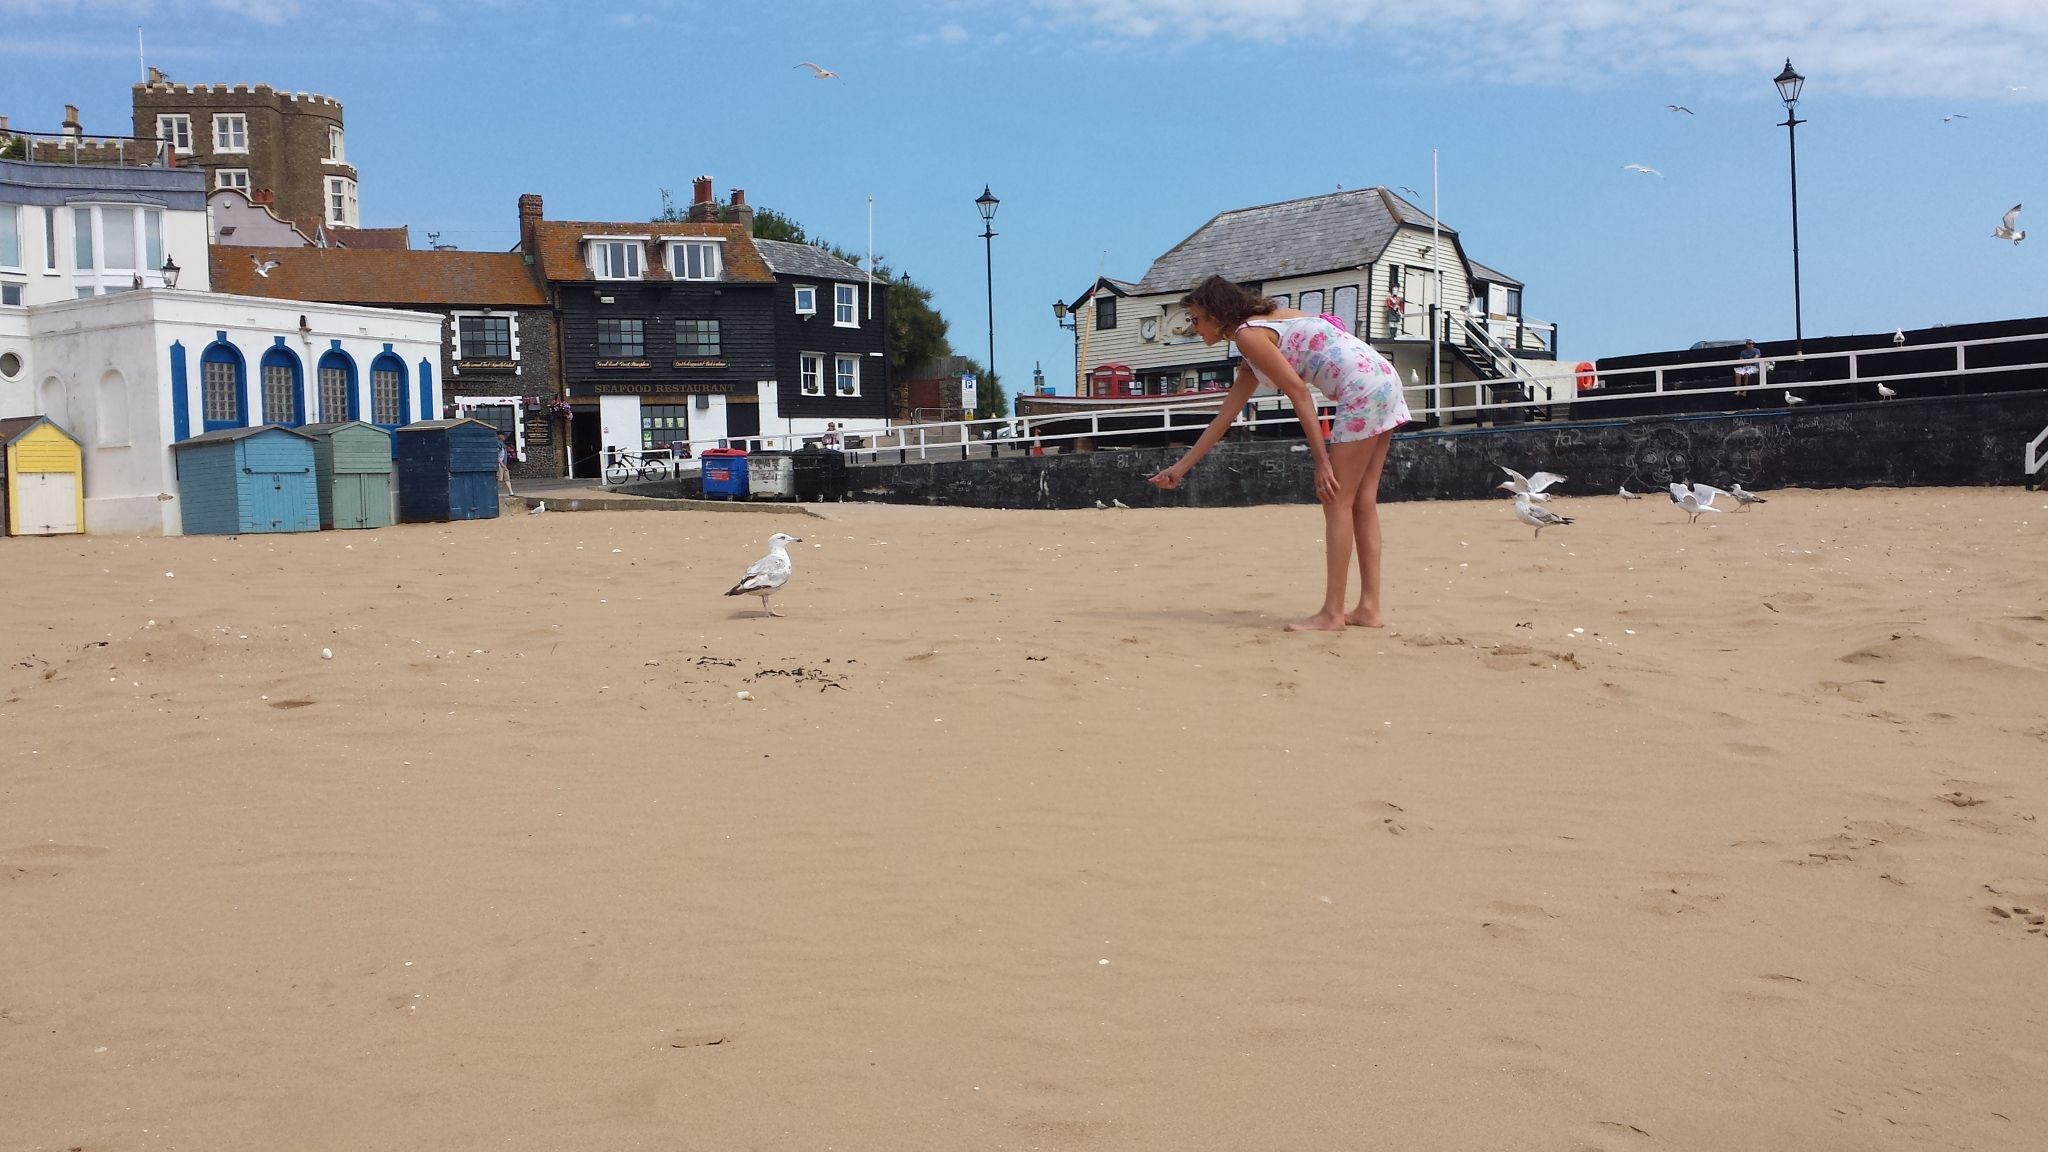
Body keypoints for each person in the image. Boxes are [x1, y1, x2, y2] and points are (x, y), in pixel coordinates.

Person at [1150, 275, 1410, 631]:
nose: (1193, 328)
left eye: (1195, 319)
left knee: (1335, 500)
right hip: (1382, 377)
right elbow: (1225, 417)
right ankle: (1368, 608)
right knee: (1361, 500)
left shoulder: (1248, 335)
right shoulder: (1260, 332)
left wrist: (1321, 461)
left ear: (1216, 314)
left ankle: (1332, 614)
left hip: (1361, 388)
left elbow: (1298, 393)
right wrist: (1181, 468)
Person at [495, 430, 516, 496]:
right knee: (497, 479)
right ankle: (495, 493)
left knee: (507, 478)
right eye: (503, 435)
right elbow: (495, 455)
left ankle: (511, 492)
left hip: (504, 464)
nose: (504, 437)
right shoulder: (497, 444)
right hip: (499, 464)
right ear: (499, 435)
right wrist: (501, 463)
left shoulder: (502, 444)